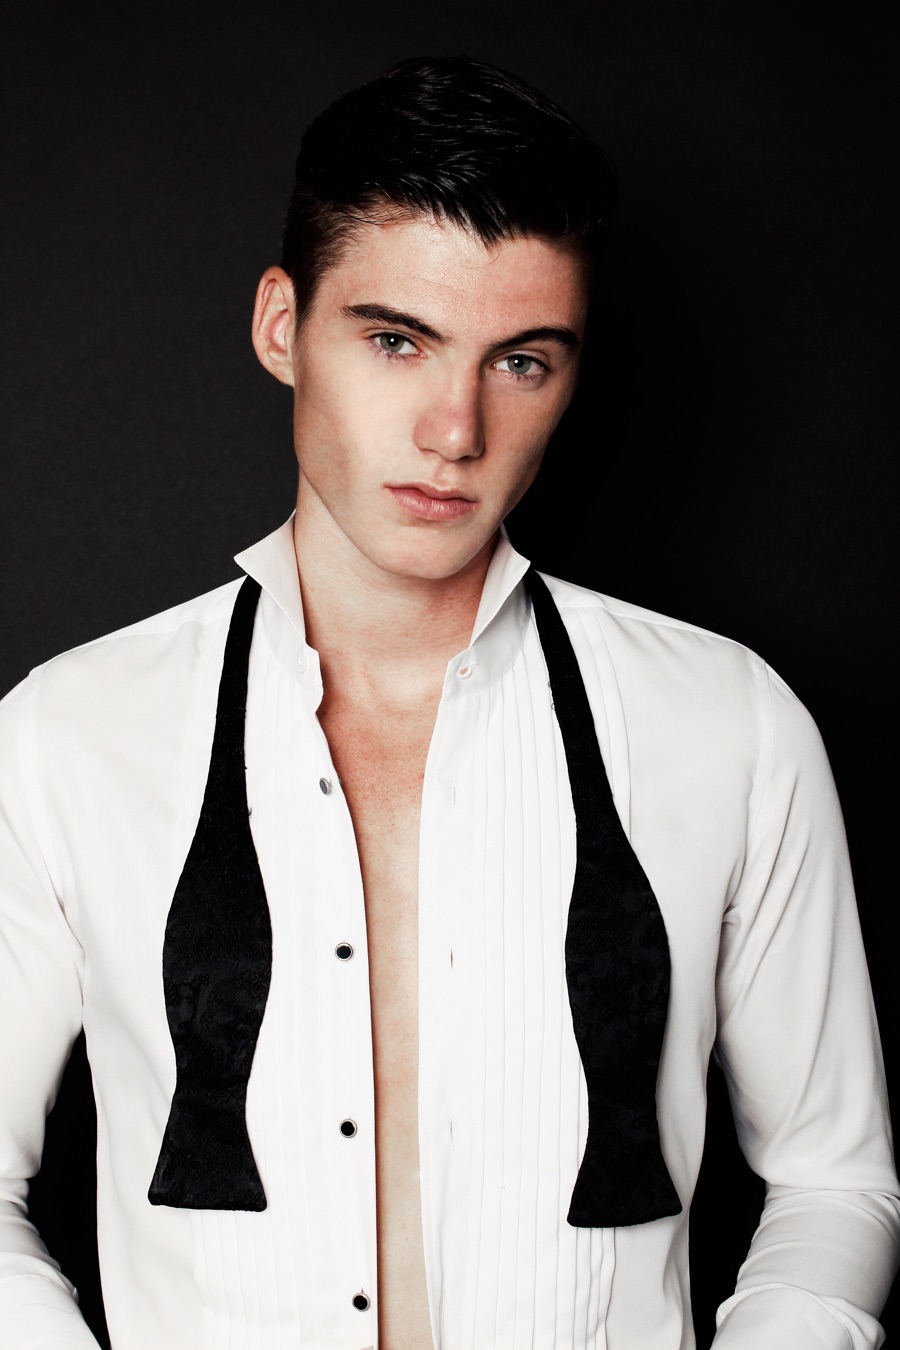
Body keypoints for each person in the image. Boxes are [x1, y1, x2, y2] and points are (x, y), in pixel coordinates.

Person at [0, 53, 897, 1350]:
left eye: (521, 362)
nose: (456, 430)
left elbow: (833, 1179)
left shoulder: (732, 728)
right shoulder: (68, 738)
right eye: (395, 341)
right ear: (280, 326)